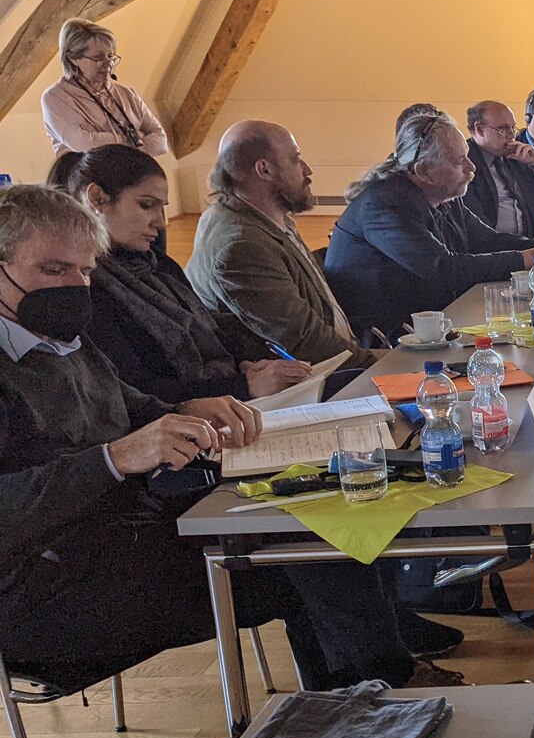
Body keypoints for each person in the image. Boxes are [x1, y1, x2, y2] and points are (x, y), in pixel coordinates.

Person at [0, 185, 460, 692]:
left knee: (314, 516)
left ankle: (359, 700)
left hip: (130, 530)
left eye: (85, 271)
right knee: (302, 555)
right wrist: (115, 457)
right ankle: (375, 696)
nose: (74, 286)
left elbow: (127, 404)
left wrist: (184, 412)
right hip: (43, 590)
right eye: (53, 270)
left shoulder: (58, 334)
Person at [66, 146, 310, 405]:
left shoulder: (158, 264)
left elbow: (208, 330)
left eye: (162, 208)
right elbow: (135, 392)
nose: (161, 223)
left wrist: (246, 365)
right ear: (97, 199)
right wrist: (243, 386)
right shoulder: (86, 287)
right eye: (146, 205)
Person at [325, 111, 534, 338]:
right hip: (393, 338)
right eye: (458, 161)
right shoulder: (384, 205)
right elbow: (443, 268)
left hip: (437, 321)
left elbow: (486, 240)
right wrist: (529, 258)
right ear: (424, 171)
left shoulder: (443, 193)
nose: (471, 167)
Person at [186, 120, 377, 371]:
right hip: (314, 383)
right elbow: (306, 341)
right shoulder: (241, 246)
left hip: (338, 358)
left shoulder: (261, 214)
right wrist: (380, 365)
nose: (307, 170)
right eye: (296, 159)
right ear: (264, 170)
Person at [40, 19, 169, 159]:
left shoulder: (127, 94)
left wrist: (107, 139)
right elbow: (83, 144)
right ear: (73, 58)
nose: (108, 63)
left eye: (110, 56)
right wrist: (134, 139)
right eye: (98, 57)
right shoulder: (56, 97)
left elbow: (161, 141)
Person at [463, 99, 534, 239]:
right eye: (502, 128)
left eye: (512, 128)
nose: (511, 135)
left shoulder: (517, 156)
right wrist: (533, 248)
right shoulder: (464, 165)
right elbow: (480, 235)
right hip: (497, 253)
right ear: (479, 129)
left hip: (530, 244)